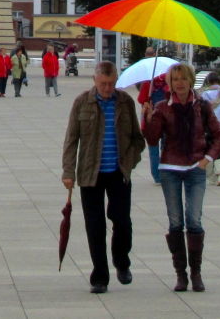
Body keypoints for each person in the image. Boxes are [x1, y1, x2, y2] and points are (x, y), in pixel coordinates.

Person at [62, 60, 146, 294]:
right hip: (91, 173)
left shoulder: (125, 102)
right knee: (95, 225)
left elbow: (138, 139)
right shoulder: (82, 102)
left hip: (118, 172)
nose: (108, 88)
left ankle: (121, 261)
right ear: (95, 81)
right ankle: (100, 275)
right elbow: (71, 140)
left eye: (111, 83)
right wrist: (68, 171)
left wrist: (129, 162)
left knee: (122, 221)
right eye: (104, 84)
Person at [142, 62, 220, 293]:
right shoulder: (162, 107)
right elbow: (151, 139)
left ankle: (196, 273)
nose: (179, 83)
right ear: (169, 83)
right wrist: (147, 118)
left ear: (190, 80)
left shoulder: (202, 106)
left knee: (194, 220)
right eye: (174, 79)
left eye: (182, 78)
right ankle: (181, 275)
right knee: (175, 221)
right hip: (170, 169)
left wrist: (207, 159)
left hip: (195, 169)